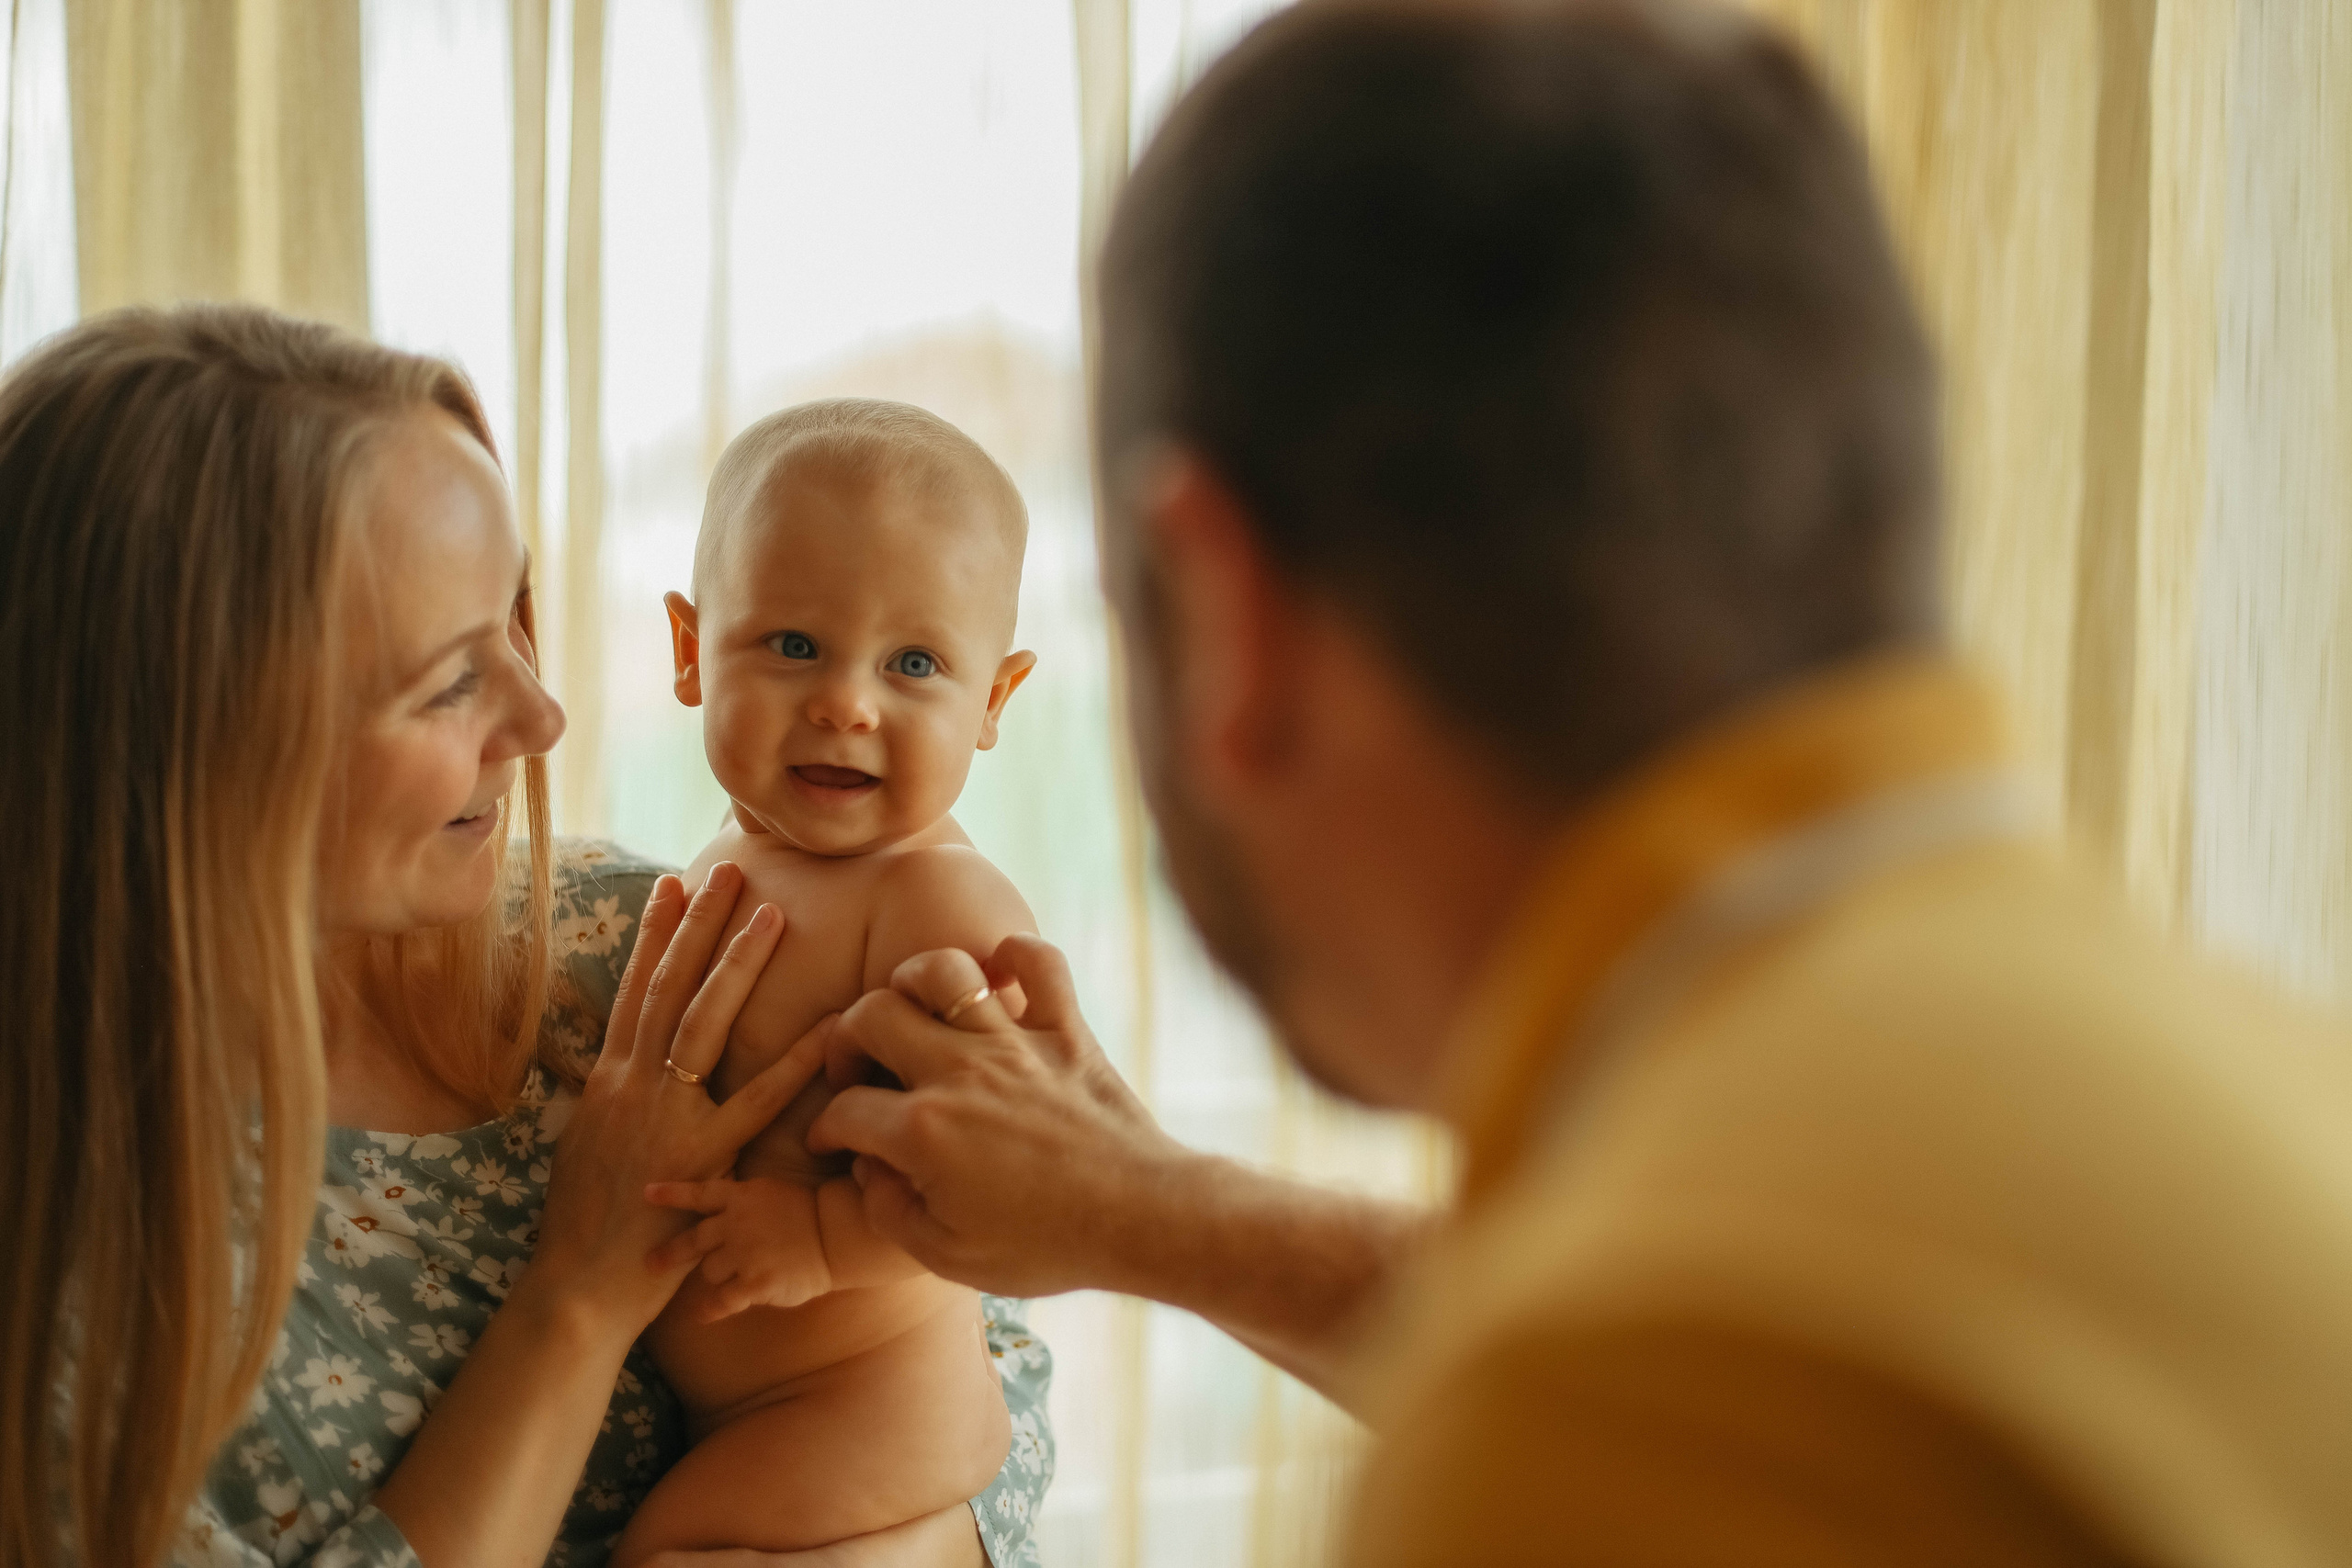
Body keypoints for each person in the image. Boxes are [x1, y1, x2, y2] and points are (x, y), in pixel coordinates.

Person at [786, 2, 2352, 1563]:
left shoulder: (1614, 1406)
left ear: (1218, 618)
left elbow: (1692, 1349)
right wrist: (1152, 1207)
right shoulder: (2270, 1094)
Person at [0, 305, 1051, 1568]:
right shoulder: (76, 1267)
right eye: (449, 676)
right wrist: (581, 1290)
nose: (543, 714)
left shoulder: (633, 938)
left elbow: (995, 1351)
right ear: (199, 731)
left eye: (518, 621)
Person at [612, 400, 1041, 1562]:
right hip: (754, 1406)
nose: (847, 702)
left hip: (867, 1401)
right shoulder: (741, 846)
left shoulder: (939, 909)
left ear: (991, 701)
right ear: (693, 652)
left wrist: (819, 1238)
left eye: (913, 664)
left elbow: (1016, 1180)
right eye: (794, 645)